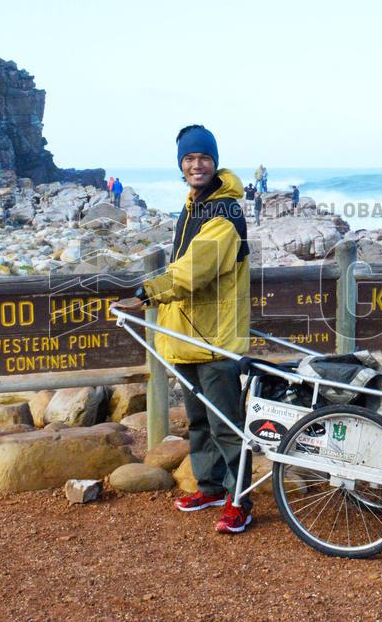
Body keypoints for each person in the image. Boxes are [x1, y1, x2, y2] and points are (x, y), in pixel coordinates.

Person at [113, 124, 252, 534]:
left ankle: (240, 500)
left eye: (203, 158)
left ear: (215, 162)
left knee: (227, 426)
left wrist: (144, 294)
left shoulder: (224, 214)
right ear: (181, 165)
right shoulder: (194, 204)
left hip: (215, 341)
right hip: (189, 337)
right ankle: (210, 486)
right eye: (189, 159)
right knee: (199, 423)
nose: (197, 164)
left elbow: (193, 272)